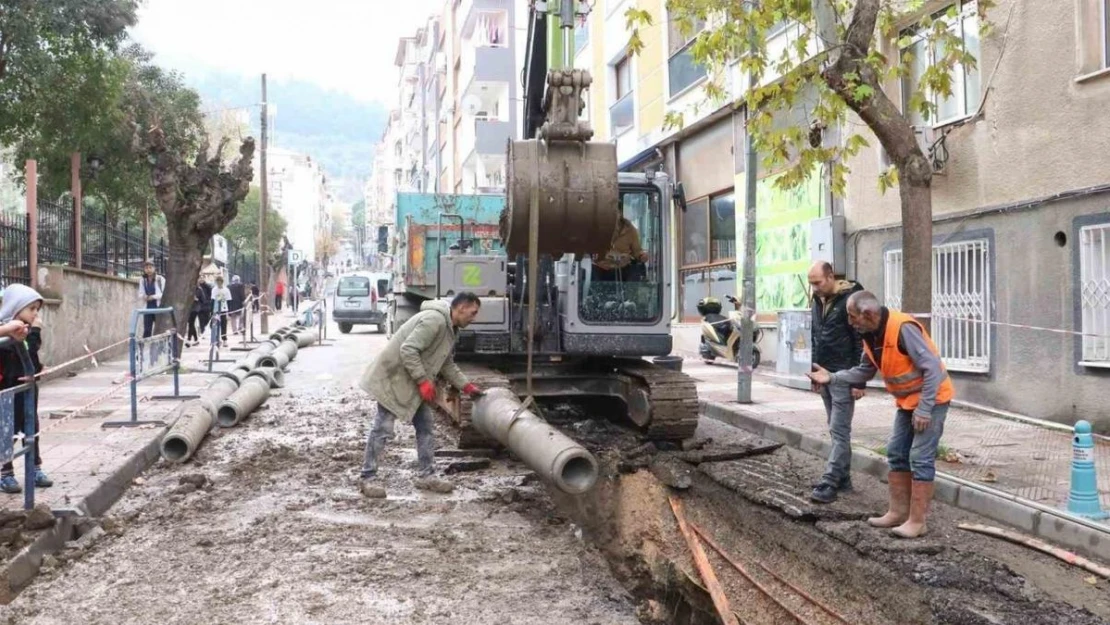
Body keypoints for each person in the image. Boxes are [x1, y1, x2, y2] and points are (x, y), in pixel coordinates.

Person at [807, 291, 955, 539]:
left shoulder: (902, 328)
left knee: (919, 457)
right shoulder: (871, 335)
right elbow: (864, 371)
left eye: (853, 318)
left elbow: (931, 368)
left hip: (932, 399)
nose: (851, 323)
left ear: (868, 314)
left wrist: (925, 408)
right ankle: (898, 513)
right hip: (907, 402)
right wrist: (832, 377)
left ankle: (918, 522)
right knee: (897, 452)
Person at [359, 292, 484, 483]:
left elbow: (446, 363)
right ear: (461, 308)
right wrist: (423, 381)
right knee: (383, 427)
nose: (474, 318)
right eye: (473, 313)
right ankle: (368, 475)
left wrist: (466, 386)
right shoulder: (435, 321)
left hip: (411, 383)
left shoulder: (450, 329)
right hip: (393, 378)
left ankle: (427, 475)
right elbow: (408, 349)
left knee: (425, 426)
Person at [807, 261, 865, 504]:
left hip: (844, 374)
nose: (814, 288)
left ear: (831, 276)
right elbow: (815, 335)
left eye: (818, 283)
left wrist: (859, 380)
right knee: (835, 427)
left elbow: (860, 340)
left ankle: (830, 481)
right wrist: (813, 372)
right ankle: (844, 479)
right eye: (811, 284)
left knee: (839, 430)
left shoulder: (852, 300)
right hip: (823, 372)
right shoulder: (817, 301)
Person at [0, 284, 51, 493]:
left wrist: (38, 369)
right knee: (7, 430)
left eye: (37, 309)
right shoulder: (8, 331)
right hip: (8, 388)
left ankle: (35, 467)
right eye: (31, 309)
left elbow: (31, 356)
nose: (35, 314)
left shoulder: (22, 329)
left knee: (32, 427)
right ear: (16, 307)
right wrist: (35, 332)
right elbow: (19, 349)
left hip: (28, 389)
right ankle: (6, 473)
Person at [593, 202, 648, 282]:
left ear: (620, 213)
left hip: (623, 269)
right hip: (600, 269)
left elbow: (637, 251)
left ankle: (630, 294)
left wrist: (642, 256)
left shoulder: (630, 230)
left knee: (636, 270)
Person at [136, 262, 164, 338]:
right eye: (146, 268)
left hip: (158, 307)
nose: (148, 270)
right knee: (147, 330)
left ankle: (158, 347)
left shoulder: (160, 279)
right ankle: (144, 348)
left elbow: (163, 294)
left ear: (154, 268)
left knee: (159, 329)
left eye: (150, 267)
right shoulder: (143, 280)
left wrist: (153, 297)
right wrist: (144, 296)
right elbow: (140, 293)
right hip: (148, 307)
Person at [186, 277, 210, 347]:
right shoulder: (188, 289)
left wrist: (197, 299)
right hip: (188, 308)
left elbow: (203, 300)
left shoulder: (199, 289)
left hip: (195, 308)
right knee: (191, 324)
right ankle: (196, 339)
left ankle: (189, 339)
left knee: (191, 323)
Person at [211, 275, 232, 346]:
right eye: (217, 282)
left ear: (222, 282)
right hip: (216, 309)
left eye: (220, 282)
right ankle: (216, 339)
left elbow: (229, 300)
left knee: (224, 325)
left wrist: (228, 312)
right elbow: (213, 300)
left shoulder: (226, 290)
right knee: (216, 325)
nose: (218, 284)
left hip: (224, 309)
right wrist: (212, 311)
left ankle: (224, 339)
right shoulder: (214, 290)